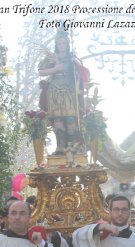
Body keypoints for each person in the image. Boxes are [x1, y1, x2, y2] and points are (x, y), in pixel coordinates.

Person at [38, 29, 89, 159]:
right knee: (58, 118)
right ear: (56, 44)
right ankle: (60, 146)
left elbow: (81, 73)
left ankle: (72, 146)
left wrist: (77, 71)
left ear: (68, 44)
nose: (62, 46)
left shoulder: (72, 58)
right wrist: (55, 69)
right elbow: (41, 71)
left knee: (70, 117)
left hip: (69, 90)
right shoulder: (52, 57)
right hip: (55, 90)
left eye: (64, 43)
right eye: (59, 43)